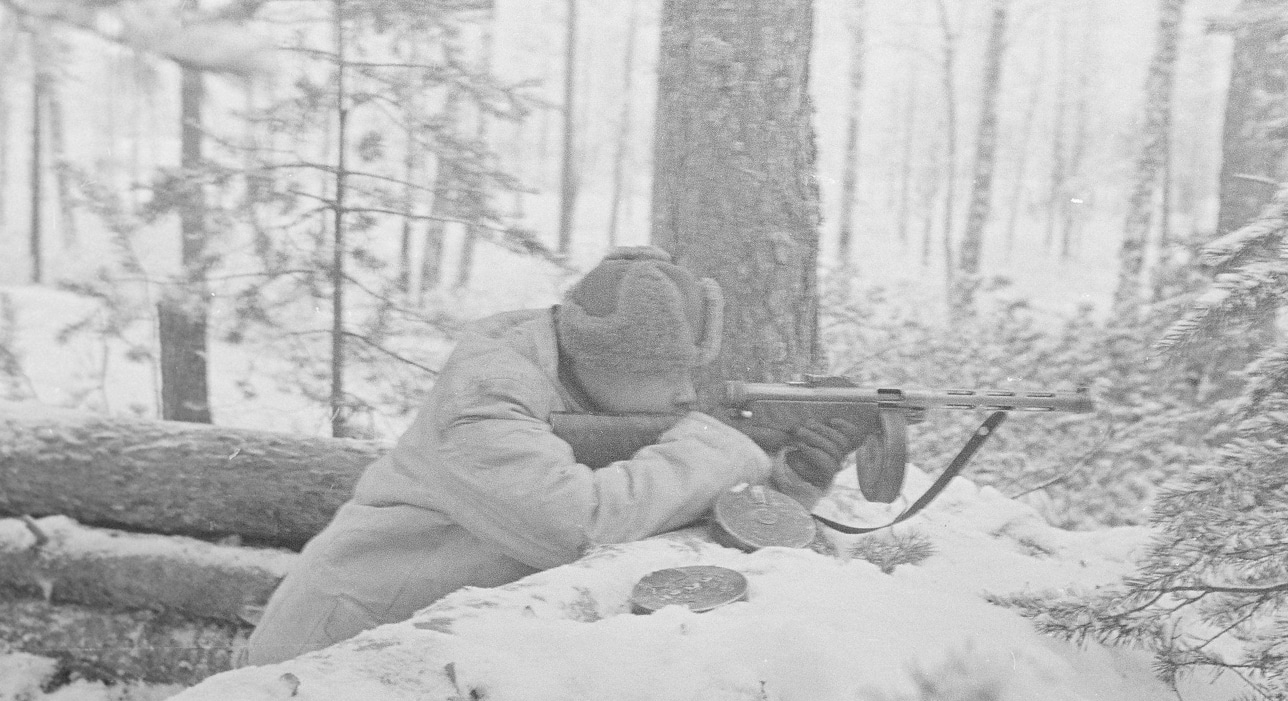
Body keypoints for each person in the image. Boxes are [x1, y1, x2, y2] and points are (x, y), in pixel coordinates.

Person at [245, 246, 865, 665]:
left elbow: (656, 518)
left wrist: (784, 487)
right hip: (330, 647)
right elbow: (585, 527)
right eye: (668, 373)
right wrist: (728, 445)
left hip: (432, 650)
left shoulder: (577, 385)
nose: (685, 394)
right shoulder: (484, 404)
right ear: (599, 362)